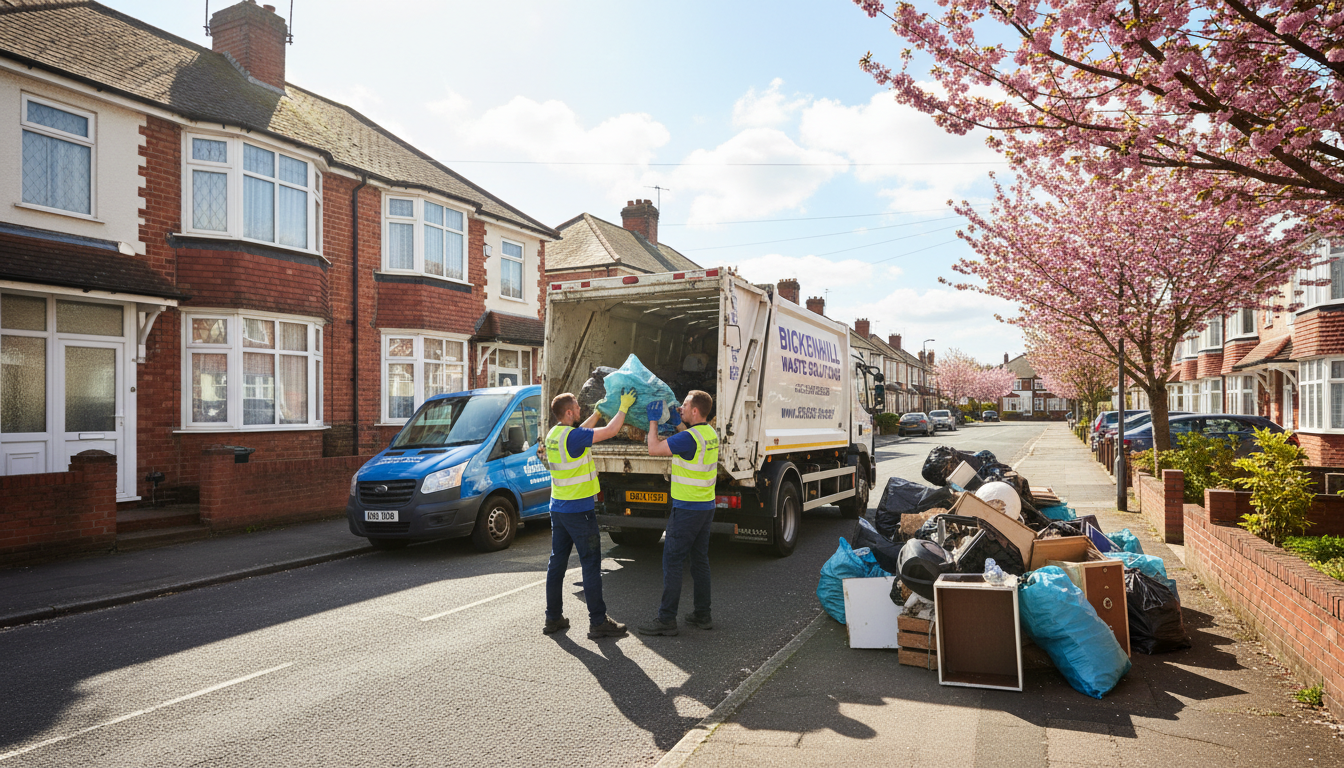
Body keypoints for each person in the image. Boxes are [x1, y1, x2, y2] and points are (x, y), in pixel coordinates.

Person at [543, 388, 637, 639]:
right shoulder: (573, 438)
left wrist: (597, 413)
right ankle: (598, 622)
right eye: (577, 406)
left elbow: (580, 432)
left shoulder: (555, 434)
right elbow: (610, 432)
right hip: (579, 511)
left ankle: (553, 618)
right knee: (591, 564)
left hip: (558, 508)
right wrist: (623, 407)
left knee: (557, 564)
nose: (580, 409)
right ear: (569, 412)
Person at [637, 390, 717, 636]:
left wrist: (653, 421)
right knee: (700, 561)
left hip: (686, 509)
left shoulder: (690, 438)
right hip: (706, 506)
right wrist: (679, 424)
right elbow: (690, 442)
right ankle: (703, 615)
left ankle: (666, 620)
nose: (680, 407)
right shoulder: (709, 433)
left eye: (684, 405)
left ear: (695, 411)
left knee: (672, 561)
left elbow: (654, 449)